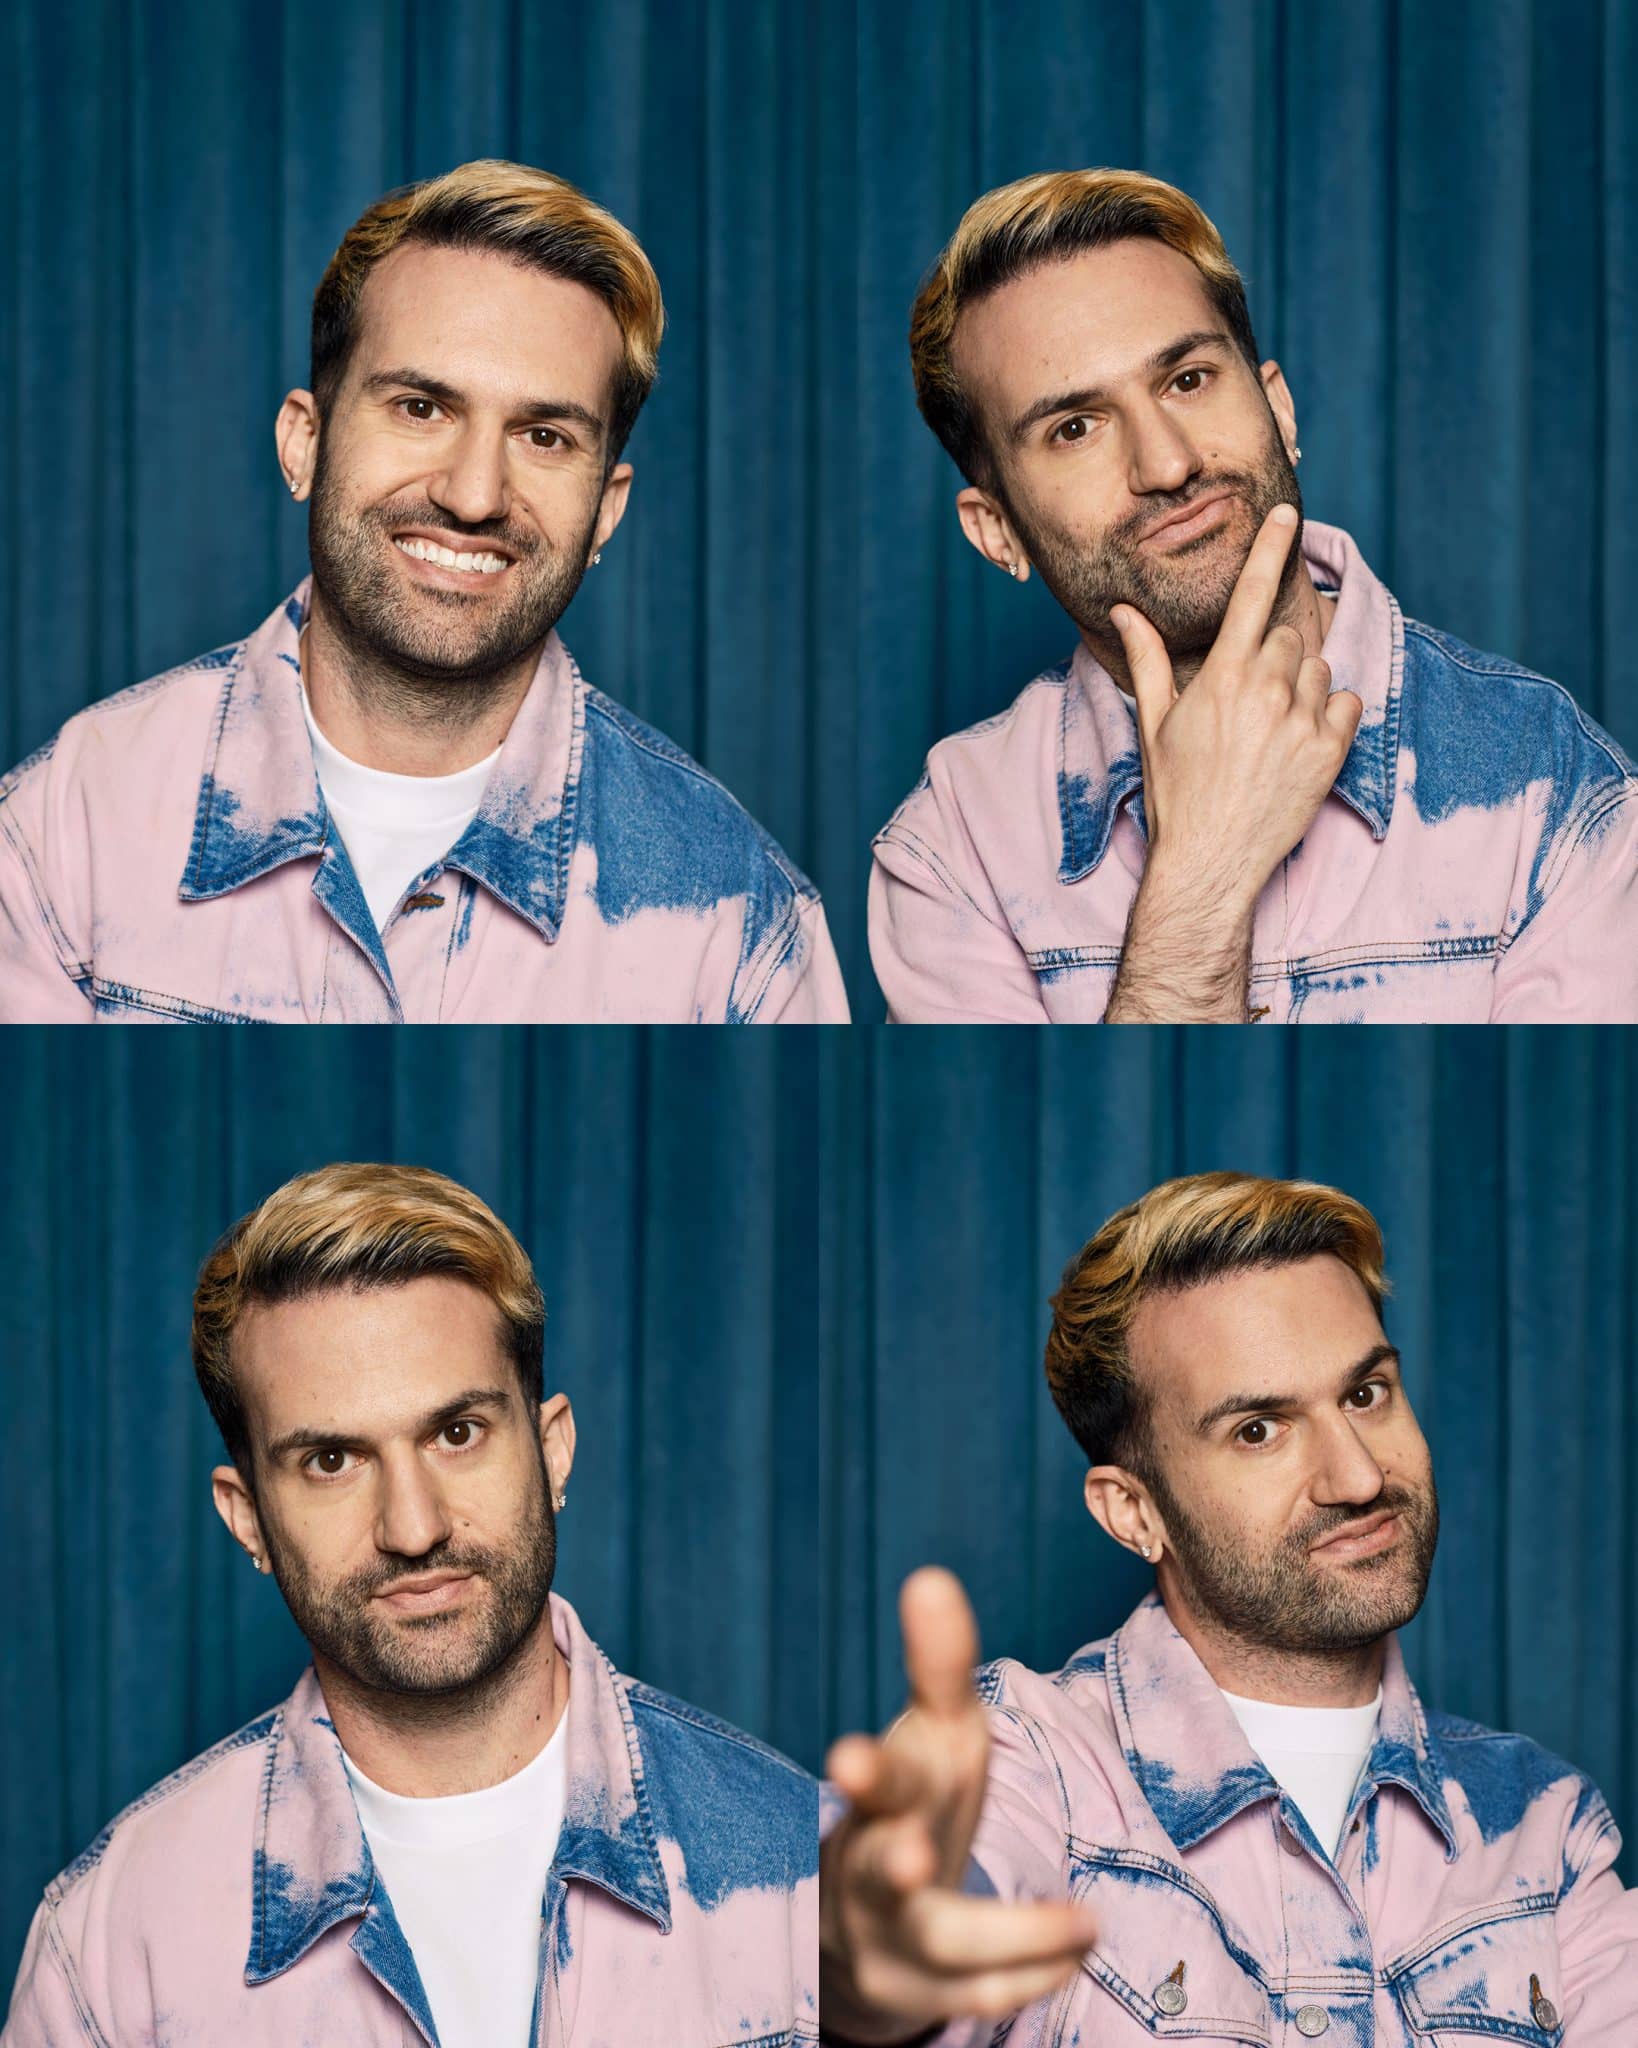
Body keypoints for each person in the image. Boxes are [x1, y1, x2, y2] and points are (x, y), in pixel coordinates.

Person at [0, 161, 848, 1023]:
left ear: (605, 513)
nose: (474, 494)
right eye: (420, 408)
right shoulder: (63, 830)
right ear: (305, 442)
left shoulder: (740, 927)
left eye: (544, 435)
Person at [3, 1164, 816, 2046]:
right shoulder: (112, 1948)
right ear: (250, 1522)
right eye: (331, 1462)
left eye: (457, 1434)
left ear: (553, 1453)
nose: (414, 1526)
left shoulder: (805, 1876)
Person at [820, 1172, 1638, 2044]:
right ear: (1136, 1512)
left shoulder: (1544, 1827)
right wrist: (860, 1959)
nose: (1360, 1477)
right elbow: (907, 1921)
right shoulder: (1027, 1761)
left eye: (1366, 1394)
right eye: (1259, 1430)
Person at [869, 169, 1638, 1023]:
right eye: (1074, 429)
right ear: (997, 531)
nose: (1168, 465)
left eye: (1188, 380)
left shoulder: (1555, 789)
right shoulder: (954, 848)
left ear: (1279, 407)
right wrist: (1202, 872)